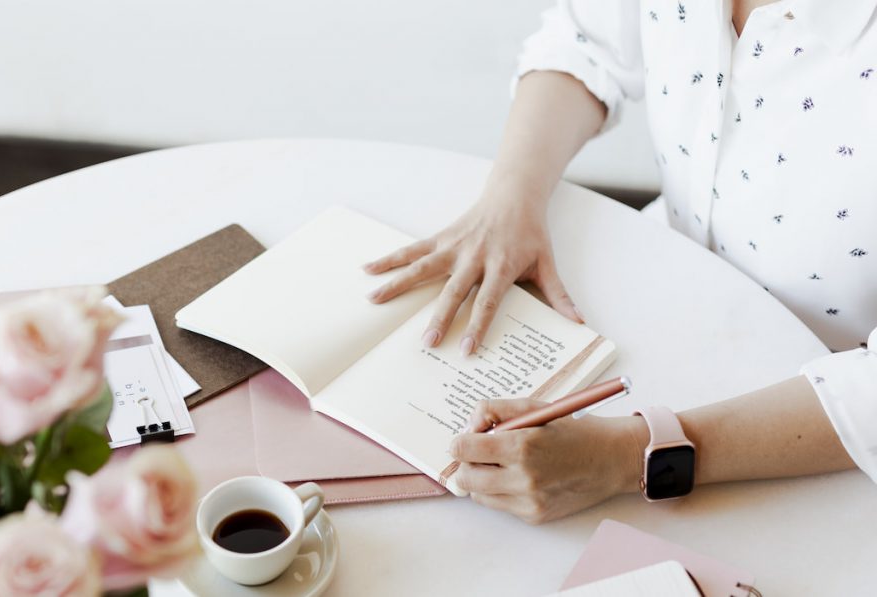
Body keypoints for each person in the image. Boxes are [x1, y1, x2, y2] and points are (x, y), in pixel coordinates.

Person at [364, 0, 877, 524]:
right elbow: (584, 42)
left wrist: (632, 455)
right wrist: (512, 197)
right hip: (657, 292)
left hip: (823, 424)